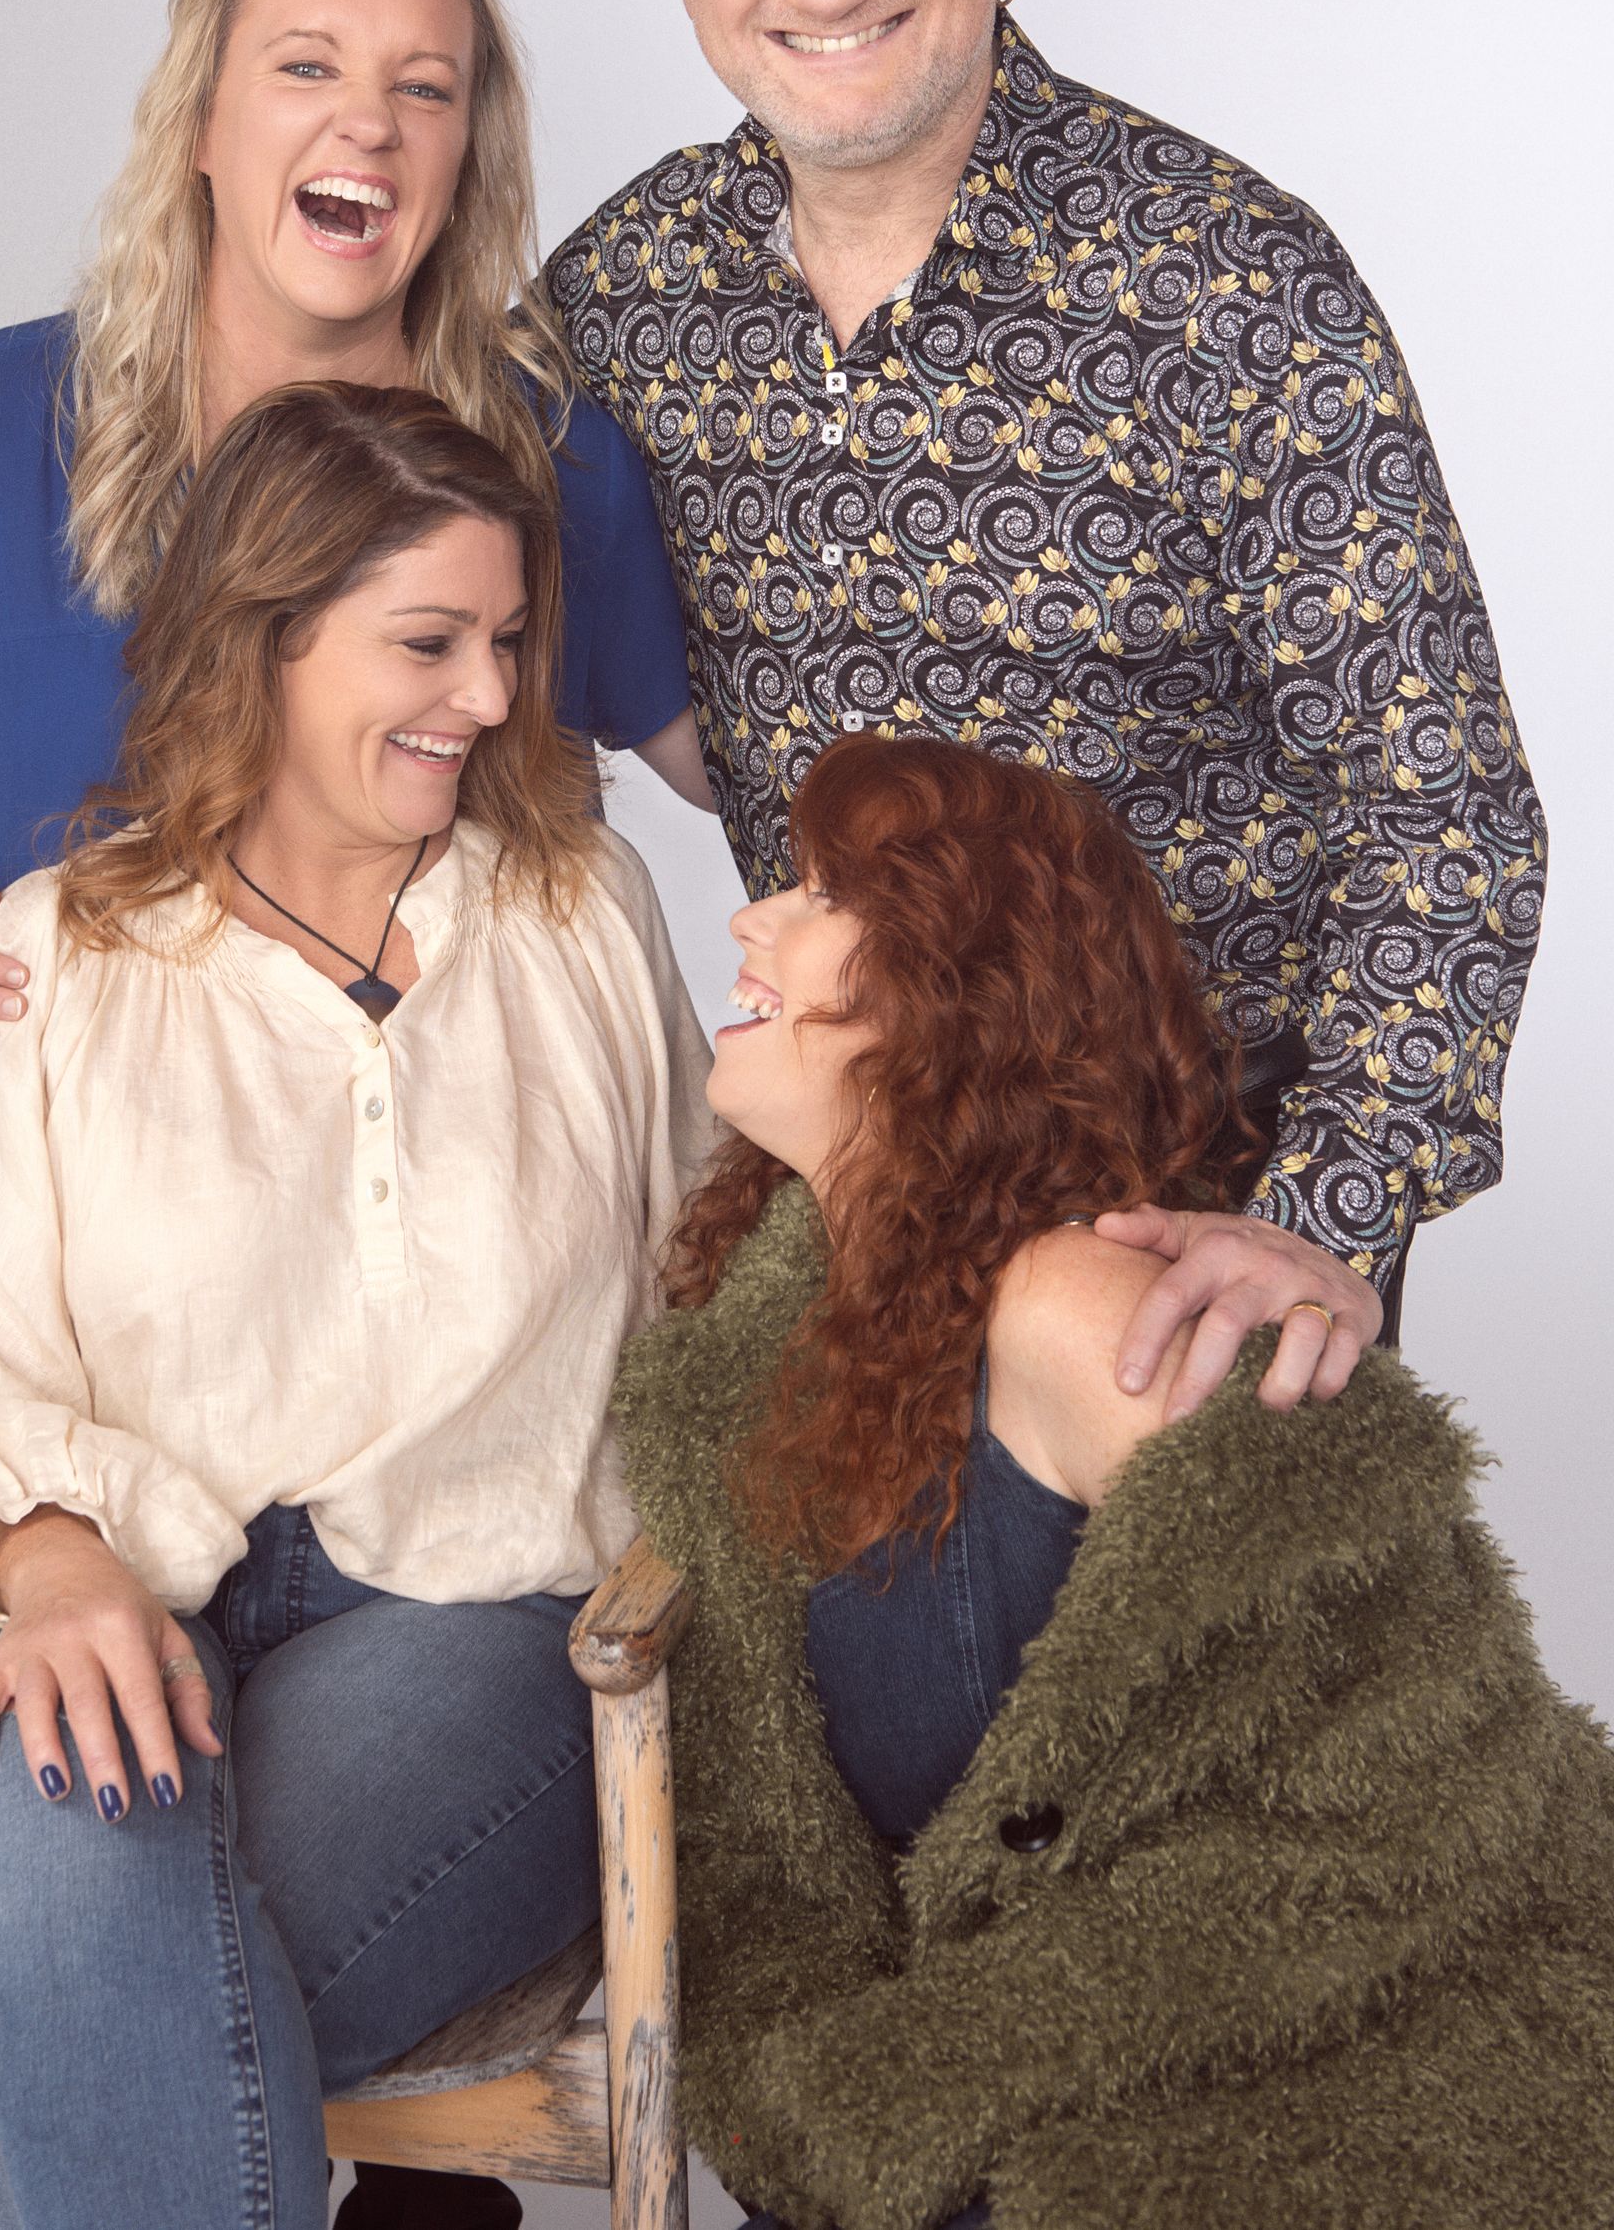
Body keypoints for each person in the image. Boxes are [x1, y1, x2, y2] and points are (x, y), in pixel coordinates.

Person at [546, 0, 1547, 1404]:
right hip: (842, 1191)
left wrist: (1329, 1211)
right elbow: (401, 582)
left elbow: (1439, 800)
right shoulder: (624, 297)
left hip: (1190, 1211)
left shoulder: (1226, 280)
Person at [0, 382, 715, 2230]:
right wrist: (54, 1563)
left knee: (112, 1954)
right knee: (87, 1818)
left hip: (467, 1621)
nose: (490, 695)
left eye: (509, 641)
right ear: (267, 636)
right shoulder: (48, 951)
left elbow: (707, 1276)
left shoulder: (579, 914)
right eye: (429, 643)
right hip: (56, 1582)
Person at [609, 735, 1614, 2230]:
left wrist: (909, 2079)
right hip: (996, 2112)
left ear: (959, 989)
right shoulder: (797, 1339)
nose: (753, 915)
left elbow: (1409, 1809)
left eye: (821, 894)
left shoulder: (1086, 1313)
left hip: (1309, 2095)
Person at [0, 0, 710, 1088]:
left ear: (466, 155)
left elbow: (743, 756)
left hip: (466, 1150)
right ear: (202, 127)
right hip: (82, 1146)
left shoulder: (560, 457)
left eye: (424, 87)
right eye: (307, 67)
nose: (368, 123)